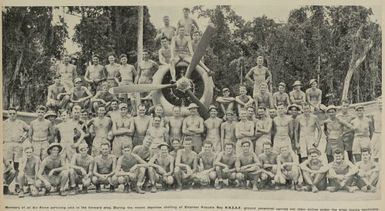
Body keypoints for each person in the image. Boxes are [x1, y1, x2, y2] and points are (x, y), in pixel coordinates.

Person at [3, 107, 30, 173]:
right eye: (10, 113)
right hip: (7, 144)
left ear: (16, 114)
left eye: (14, 113)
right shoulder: (4, 123)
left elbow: (29, 129)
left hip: (18, 144)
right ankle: (6, 181)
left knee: (16, 164)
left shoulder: (21, 123)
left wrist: (24, 137)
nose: (12, 115)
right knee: (7, 164)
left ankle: (17, 181)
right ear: (8, 114)